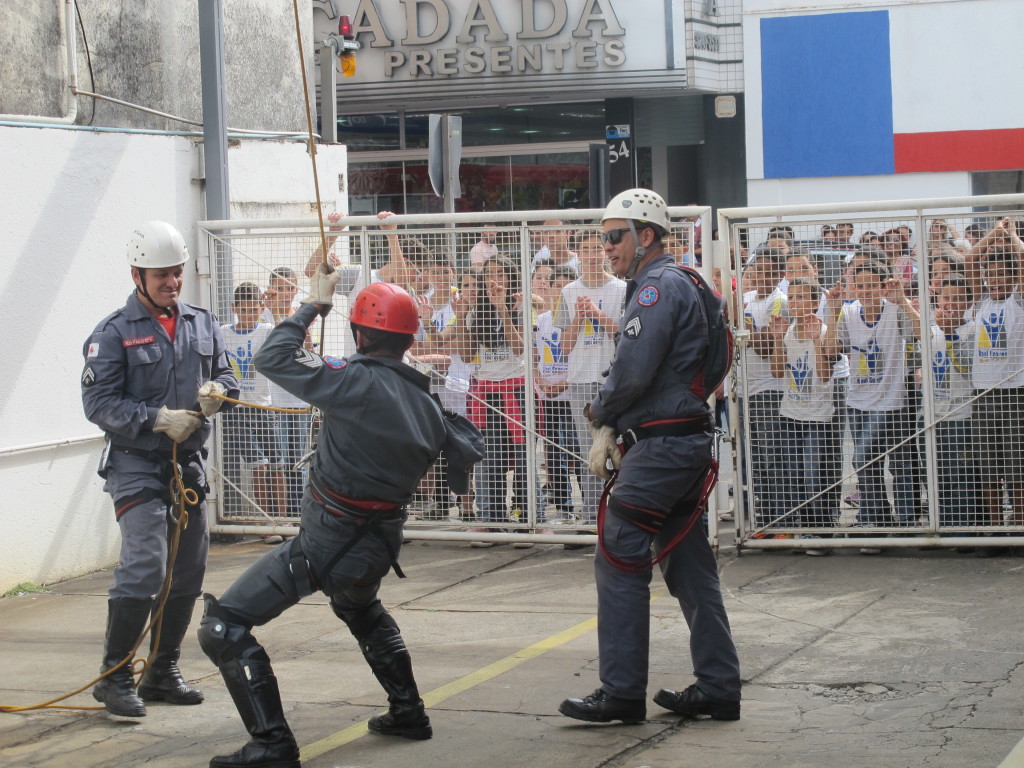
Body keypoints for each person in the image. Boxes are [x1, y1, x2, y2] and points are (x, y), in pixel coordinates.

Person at [198, 276, 461, 768]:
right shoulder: (427, 404)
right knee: (360, 609)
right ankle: (408, 711)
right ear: (408, 338)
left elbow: (271, 358)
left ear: (361, 335)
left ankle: (273, 744)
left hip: (326, 545)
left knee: (223, 626)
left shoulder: (354, 381)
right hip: (377, 546)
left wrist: (311, 307)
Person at [559, 189, 741, 725]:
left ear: (646, 236)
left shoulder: (656, 290)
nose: (606, 247)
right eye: (602, 237)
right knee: (688, 565)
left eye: (615, 236)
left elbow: (632, 369)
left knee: (618, 551)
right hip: (682, 443)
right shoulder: (687, 283)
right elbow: (716, 359)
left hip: (661, 447)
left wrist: (601, 416)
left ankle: (620, 691)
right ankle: (718, 685)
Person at [81, 221, 238, 717]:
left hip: (187, 467)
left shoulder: (201, 322)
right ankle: (115, 676)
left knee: (187, 570)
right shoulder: (111, 334)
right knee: (146, 565)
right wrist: (155, 419)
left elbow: (227, 376)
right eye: (161, 275)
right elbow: (98, 403)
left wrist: (219, 395)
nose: (172, 283)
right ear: (137, 275)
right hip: (137, 466)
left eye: (177, 273)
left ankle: (162, 670)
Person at [557, 233, 627, 535]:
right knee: (590, 451)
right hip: (581, 379)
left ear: (603, 253)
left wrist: (598, 315)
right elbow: (564, 345)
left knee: (622, 448)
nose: (589, 254)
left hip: (615, 379)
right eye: (583, 249)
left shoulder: (621, 288)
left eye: (594, 249)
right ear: (578, 255)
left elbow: (626, 334)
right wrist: (579, 319)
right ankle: (591, 517)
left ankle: (622, 514)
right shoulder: (569, 291)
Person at [220, 283, 285, 529]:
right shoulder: (224, 332)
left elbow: (285, 340)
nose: (248, 314)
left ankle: (282, 519)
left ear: (260, 308)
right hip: (238, 408)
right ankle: (266, 521)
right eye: (243, 309)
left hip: (264, 407)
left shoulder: (267, 329)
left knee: (277, 463)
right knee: (259, 465)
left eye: (253, 309)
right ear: (234, 308)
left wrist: (275, 307)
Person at [263, 268, 312, 520]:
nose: (284, 294)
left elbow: (311, 354)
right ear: (271, 288)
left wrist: (309, 335)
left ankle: (299, 512)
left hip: (299, 397)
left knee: (299, 457)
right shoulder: (263, 315)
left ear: (295, 291)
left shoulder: (301, 316)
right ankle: (279, 515)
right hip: (274, 398)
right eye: (279, 288)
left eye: (289, 289)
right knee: (279, 458)